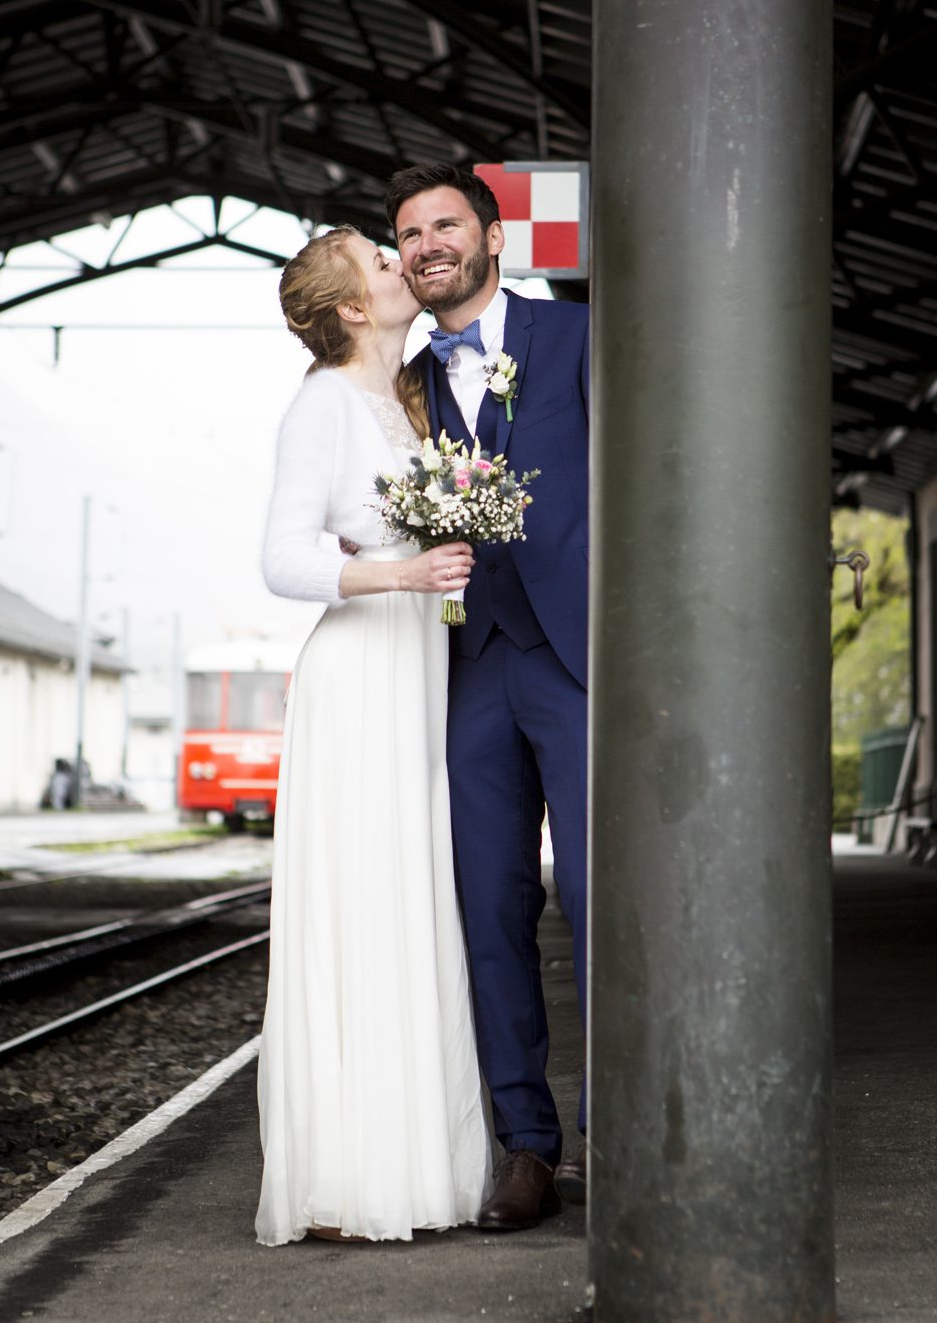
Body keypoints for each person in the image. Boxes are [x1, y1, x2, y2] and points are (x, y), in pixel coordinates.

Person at [255, 224, 492, 1246]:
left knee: (411, 897)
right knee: (363, 904)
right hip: (359, 674)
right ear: (352, 307)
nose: (404, 263)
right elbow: (279, 559)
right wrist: (403, 573)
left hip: (415, 667)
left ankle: (418, 1164)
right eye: (382, 260)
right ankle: (354, 1176)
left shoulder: (401, 404)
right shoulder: (321, 403)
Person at [386, 164, 590, 1229]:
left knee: (605, 897)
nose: (426, 245)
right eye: (409, 232)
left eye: (444, 225)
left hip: (577, 657)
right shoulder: (404, 379)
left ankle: (624, 1125)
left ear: (494, 236)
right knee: (489, 908)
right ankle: (527, 1147)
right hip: (467, 665)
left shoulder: (577, 338)